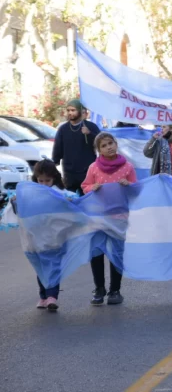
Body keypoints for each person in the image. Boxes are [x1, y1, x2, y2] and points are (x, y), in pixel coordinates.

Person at [81, 132, 137, 306]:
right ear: (99, 150)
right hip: (98, 217)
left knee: (116, 254)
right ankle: (99, 289)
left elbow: (136, 189)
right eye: (103, 146)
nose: (108, 147)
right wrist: (92, 187)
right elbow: (84, 187)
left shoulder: (127, 167)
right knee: (96, 253)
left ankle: (115, 290)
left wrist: (129, 185)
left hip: (119, 217)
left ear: (116, 143)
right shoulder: (94, 168)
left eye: (110, 143)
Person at [27, 160, 74, 311]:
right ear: (36, 179)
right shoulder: (32, 193)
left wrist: (69, 202)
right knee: (40, 267)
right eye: (40, 181)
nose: (44, 184)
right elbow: (21, 209)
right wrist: (16, 200)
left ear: (54, 178)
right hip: (37, 238)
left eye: (47, 180)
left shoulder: (59, 193)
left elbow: (73, 203)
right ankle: (43, 296)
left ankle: (52, 296)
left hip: (55, 238)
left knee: (53, 266)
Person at [52, 99, 100, 192]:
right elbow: (58, 148)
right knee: (72, 199)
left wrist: (89, 134)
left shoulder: (91, 126)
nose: (70, 113)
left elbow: (101, 143)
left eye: (73, 110)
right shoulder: (63, 129)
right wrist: (55, 162)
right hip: (70, 172)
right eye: (68, 110)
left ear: (80, 111)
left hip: (88, 171)